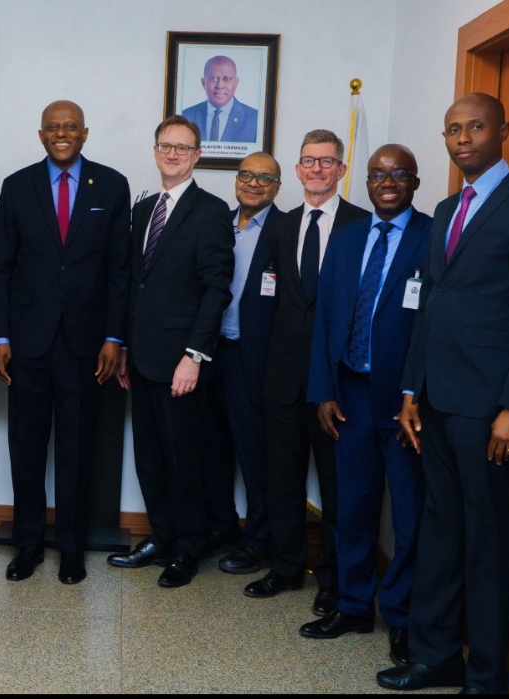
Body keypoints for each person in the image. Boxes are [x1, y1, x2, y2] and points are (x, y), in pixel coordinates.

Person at [378, 94, 509, 694]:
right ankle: (436, 656)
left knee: (486, 541)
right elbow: (430, 302)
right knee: (440, 531)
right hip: (435, 400)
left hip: (488, 407)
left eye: (476, 127)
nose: (463, 138)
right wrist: (410, 389)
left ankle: (487, 676)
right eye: (453, 130)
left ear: (503, 130)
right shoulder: (448, 208)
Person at [0, 99, 130, 585]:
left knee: (76, 448)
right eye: (53, 127)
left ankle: (72, 548)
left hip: (87, 345)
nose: (62, 133)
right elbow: (0, 268)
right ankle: (28, 544)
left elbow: (119, 270)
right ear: (41, 135)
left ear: (85, 133)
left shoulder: (111, 185)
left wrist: (114, 336)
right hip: (26, 342)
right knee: (26, 448)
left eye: (71, 126)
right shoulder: (17, 185)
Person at [302, 144, 430, 667]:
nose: (387, 181)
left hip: (405, 403)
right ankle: (354, 606)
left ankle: (400, 617)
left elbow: (433, 324)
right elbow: (325, 317)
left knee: (409, 517)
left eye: (398, 174)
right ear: (367, 181)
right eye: (378, 174)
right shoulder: (348, 236)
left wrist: (416, 392)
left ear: (415, 181)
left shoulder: (433, 237)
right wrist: (323, 390)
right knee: (352, 511)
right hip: (350, 394)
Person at [244, 129, 369, 615]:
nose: (316, 169)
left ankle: (334, 580)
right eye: (308, 161)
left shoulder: (362, 224)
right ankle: (286, 567)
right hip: (283, 377)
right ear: (297, 170)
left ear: (341, 170)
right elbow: (267, 300)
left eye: (326, 161)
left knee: (338, 486)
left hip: (336, 384)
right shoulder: (281, 226)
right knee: (282, 477)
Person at [107, 115, 233, 587]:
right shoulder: (143, 209)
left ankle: (188, 547)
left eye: (183, 147)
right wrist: (123, 346)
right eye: (166, 146)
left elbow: (216, 289)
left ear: (197, 155)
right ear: (156, 150)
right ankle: (161, 536)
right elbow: (133, 284)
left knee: (185, 460)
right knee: (150, 456)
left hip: (182, 361)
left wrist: (194, 355)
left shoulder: (211, 211)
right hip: (141, 357)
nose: (173, 154)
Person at [202, 152, 284, 575]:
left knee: (255, 454)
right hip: (208, 352)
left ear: (277, 187)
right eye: (247, 175)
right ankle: (221, 527)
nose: (253, 183)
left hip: (254, 356)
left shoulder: (285, 230)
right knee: (212, 449)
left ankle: (259, 539)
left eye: (264, 178)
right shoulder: (217, 223)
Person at [182, 55, 258, 143]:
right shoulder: (186, 116)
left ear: (236, 83)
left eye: (227, 79)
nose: (220, 86)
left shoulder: (255, 119)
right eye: (213, 79)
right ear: (203, 83)